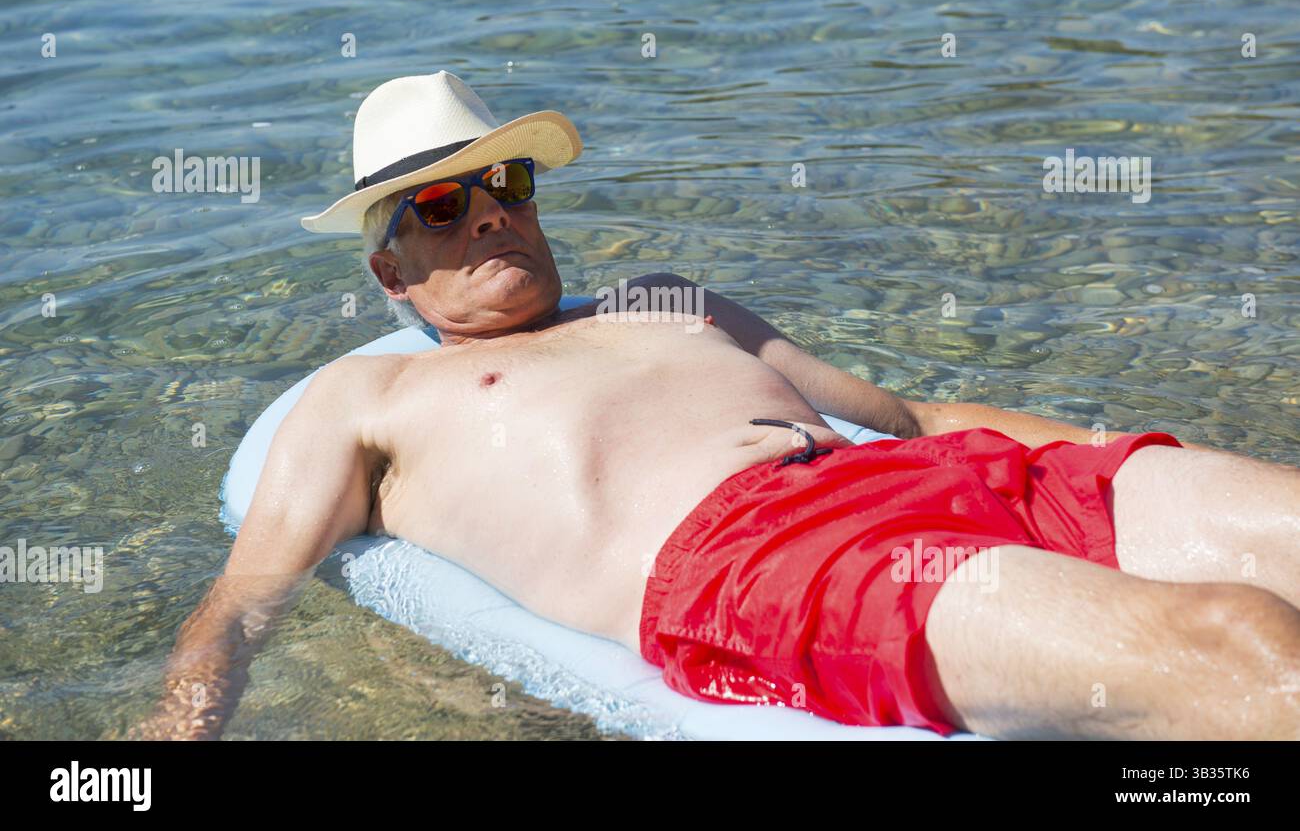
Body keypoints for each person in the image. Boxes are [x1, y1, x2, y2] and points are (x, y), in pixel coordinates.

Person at [132, 71, 1300, 740]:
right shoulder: (369, 395)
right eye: (439, 204)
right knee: (1239, 642)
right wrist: (168, 745)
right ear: (390, 273)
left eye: (506, 181)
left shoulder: (662, 298)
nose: (489, 211)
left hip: (914, 480)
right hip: (758, 565)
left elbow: (912, 417)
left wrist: (1132, 458)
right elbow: (241, 602)